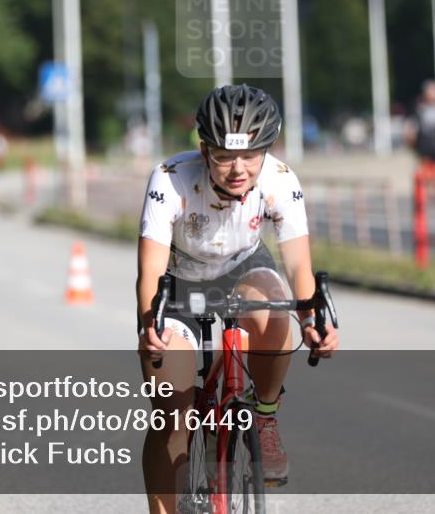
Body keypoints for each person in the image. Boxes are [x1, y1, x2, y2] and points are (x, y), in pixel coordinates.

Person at [137, 84, 340, 512]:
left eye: (250, 155)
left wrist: (312, 321)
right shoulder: (171, 179)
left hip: (243, 271)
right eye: (225, 156)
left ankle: (263, 414)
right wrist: (148, 322)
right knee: (172, 415)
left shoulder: (280, 180)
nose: (238, 169)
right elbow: (151, 269)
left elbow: (299, 266)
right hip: (179, 284)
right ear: (203, 149)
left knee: (274, 302)